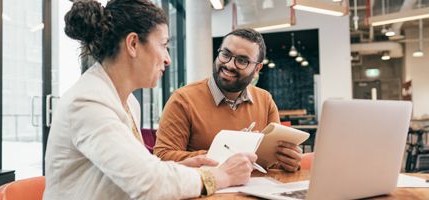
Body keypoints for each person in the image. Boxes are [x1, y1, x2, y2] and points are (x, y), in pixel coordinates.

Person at [43, 0, 258, 199]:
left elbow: (137, 168)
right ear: (133, 44)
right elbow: (148, 183)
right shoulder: (87, 102)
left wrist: (186, 168)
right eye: (163, 45)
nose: (168, 59)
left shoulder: (127, 102)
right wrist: (221, 176)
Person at [154, 28, 303, 172]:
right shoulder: (183, 99)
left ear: (257, 69)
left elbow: (271, 163)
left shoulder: (265, 100)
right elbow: (163, 157)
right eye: (225, 54)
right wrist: (226, 153)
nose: (230, 65)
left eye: (242, 60)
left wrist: (289, 162)